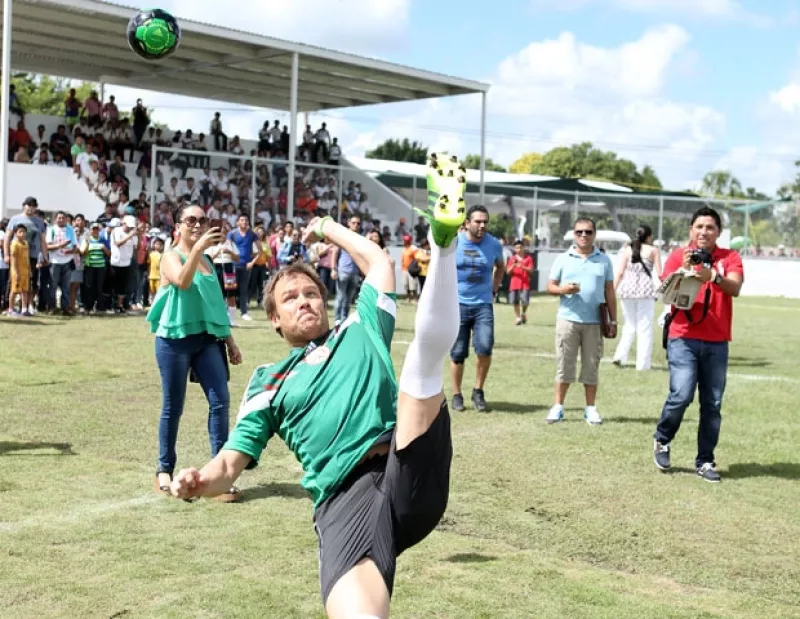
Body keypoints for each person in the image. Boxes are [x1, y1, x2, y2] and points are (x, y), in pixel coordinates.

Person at [169, 153, 467, 618]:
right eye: (291, 298)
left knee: (418, 370)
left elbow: (377, 262)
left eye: (311, 293)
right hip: (343, 498)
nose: (305, 301)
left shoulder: (359, 326)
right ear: (274, 319)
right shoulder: (268, 382)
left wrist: (326, 226)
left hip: (404, 464)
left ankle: (443, 242)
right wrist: (198, 480)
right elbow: (229, 465)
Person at [147, 205, 244, 500]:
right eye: (191, 220)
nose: (198, 225)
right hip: (174, 340)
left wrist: (230, 342)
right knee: (173, 407)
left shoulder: (207, 262)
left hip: (206, 341)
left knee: (220, 401)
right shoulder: (169, 257)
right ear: (178, 225)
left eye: (203, 220)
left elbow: (214, 305)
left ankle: (219, 475)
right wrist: (198, 249)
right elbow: (182, 282)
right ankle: (164, 469)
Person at [653, 207, 743, 483]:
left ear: (719, 232)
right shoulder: (680, 255)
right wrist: (687, 270)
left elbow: (735, 287)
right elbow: (664, 291)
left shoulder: (729, 258)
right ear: (691, 229)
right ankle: (662, 439)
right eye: (699, 227)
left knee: (712, 403)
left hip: (717, 340)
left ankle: (705, 461)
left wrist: (713, 276)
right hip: (683, 335)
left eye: (710, 227)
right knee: (681, 394)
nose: (704, 232)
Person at [546, 217, 617, 425]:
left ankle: (591, 408)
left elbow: (609, 291)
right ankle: (558, 407)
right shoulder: (563, 258)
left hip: (595, 321)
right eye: (579, 232)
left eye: (588, 232)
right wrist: (563, 289)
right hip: (567, 320)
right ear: (573, 235)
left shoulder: (604, 260)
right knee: (564, 364)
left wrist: (613, 320)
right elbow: (550, 286)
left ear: (594, 234)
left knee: (591, 366)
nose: (584, 235)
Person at [449, 205, 505, 413]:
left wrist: (494, 288)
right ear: (466, 223)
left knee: (485, 347)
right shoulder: (454, 243)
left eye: (485, 222)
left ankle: (478, 390)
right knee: (457, 352)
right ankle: (456, 394)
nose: (482, 225)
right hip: (458, 304)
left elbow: (501, 267)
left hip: (483, 305)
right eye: (477, 221)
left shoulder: (493, 245)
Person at [612, 224, 662, 370]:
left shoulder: (627, 250)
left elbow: (620, 273)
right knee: (644, 327)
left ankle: (620, 356)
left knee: (629, 325)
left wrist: (613, 290)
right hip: (645, 291)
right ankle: (642, 364)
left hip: (627, 290)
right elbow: (660, 273)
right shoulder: (653, 250)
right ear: (648, 236)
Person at [330, 215, 362, 324]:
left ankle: (344, 318)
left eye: (358, 223)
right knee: (340, 296)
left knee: (349, 298)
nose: (356, 225)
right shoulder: (343, 236)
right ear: (349, 223)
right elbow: (335, 252)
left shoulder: (359, 238)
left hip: (355, 272)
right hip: (343, 270)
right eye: (354, 223)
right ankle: (337, 319)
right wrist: (333, 268)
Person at [227, 215, 257, 322]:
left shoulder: (252, 234)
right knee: (231, 290)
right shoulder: (232, 234)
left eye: (246, 220)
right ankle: (229, 312)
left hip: (246, 266)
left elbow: (259, 251)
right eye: (242, 220)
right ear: (237, 222)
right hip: (232, 265)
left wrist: (252, 262)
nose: (244, 222)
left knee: (244, 290)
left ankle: (244, 312)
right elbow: (228, 247)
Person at [506, 239, 534, 326]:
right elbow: (507, 272)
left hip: (525, 283)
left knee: (525, 301)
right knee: (515, 301)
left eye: (520, 247)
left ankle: (523, 313)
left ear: (523, 248)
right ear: (514, 249)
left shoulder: (528, 258)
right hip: (514, 284)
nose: (519, 249)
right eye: (517, 248)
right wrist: (513, 266)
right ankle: (518, 317)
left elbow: (531, 270)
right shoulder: (512, 259)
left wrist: (522, 266)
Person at [8, 225, 31, 316]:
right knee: (14, 290)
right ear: (15, 233)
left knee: (25, 290)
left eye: (24, 232)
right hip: (17, 271)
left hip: (25, 270)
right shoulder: (14, 244)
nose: (22, 234)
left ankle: (24, 309)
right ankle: (10, 309)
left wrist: (29, 270)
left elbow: (27, 258)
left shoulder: (26, 243)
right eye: (20, 232)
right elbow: (13, 259)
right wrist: (16, 272)